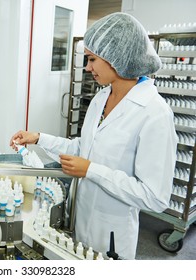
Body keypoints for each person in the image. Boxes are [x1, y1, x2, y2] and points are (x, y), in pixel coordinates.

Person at [10, 13, 177, 260]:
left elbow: (154, 196)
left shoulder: (154, 113)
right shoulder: (101, 98)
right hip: (82, 221)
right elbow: (83, 148)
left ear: (116, 58)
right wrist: (39, 138)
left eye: (92, 59)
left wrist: (91, 171)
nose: (88, 68)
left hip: (113, 234)